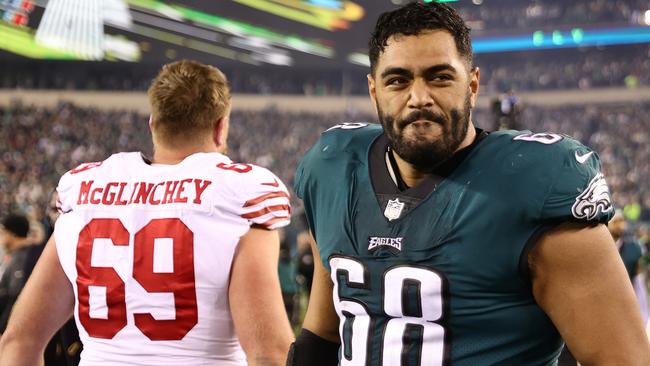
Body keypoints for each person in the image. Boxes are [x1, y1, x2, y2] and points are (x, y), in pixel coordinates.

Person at [288, 2, 650, 365]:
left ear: (472, 85)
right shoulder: (334, 167)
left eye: (439, 77)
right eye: (398, 80)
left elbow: (621, 358)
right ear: (373, 91)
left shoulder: (534, 182)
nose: (419, 98)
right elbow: (321, 334)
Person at [0, 60, 295, 366]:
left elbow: (19, 342)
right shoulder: (240, 195)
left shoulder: (84, 193)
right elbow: (268, 353)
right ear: (220, 127)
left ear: (153, 123)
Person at [0, 213, 32, 333]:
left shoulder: (22, 259)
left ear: (12, 233)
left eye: (2, 232)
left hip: (12, 327)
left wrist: (3, 329)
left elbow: (14, 296)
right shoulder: (15, 255)